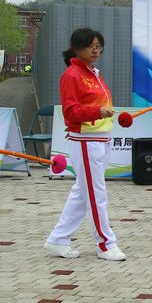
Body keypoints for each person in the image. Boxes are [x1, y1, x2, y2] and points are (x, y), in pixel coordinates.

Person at [45, 28, 125, 261]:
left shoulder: (94, 73)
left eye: (98, 45)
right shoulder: (72, 75)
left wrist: (102, 114)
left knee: (83, 191)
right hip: (85, 141)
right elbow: (70, 111)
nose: (95, 49)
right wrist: (97, 111)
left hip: (101, 139)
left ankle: (58, 239)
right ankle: (105, 243)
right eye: (90, 45)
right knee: (96, 193)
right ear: (77, 48)